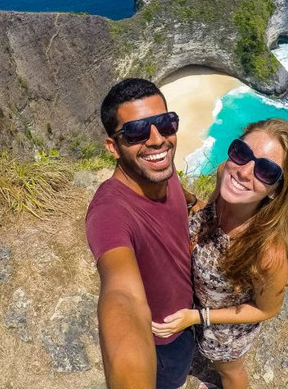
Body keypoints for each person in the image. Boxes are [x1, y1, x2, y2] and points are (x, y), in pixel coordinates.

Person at [151, 118, 288, 389]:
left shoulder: (267, 252)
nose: (244, 172)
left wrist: (199, 317)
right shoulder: (226, 175)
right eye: (241, 153)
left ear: (275, 191)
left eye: (266, 171)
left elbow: (267, 309)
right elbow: (207, 207)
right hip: (196, 306)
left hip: (224, 330)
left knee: (229, 371)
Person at [85, 78, 201, 389]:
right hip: (164, 337)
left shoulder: (161, 168)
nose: (157, 140)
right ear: (113, 146)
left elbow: (178, 191)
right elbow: (122, 295)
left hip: (191, 309)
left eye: (165, 124)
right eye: (136, 132)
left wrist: (195, 203)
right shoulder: (110, 213)